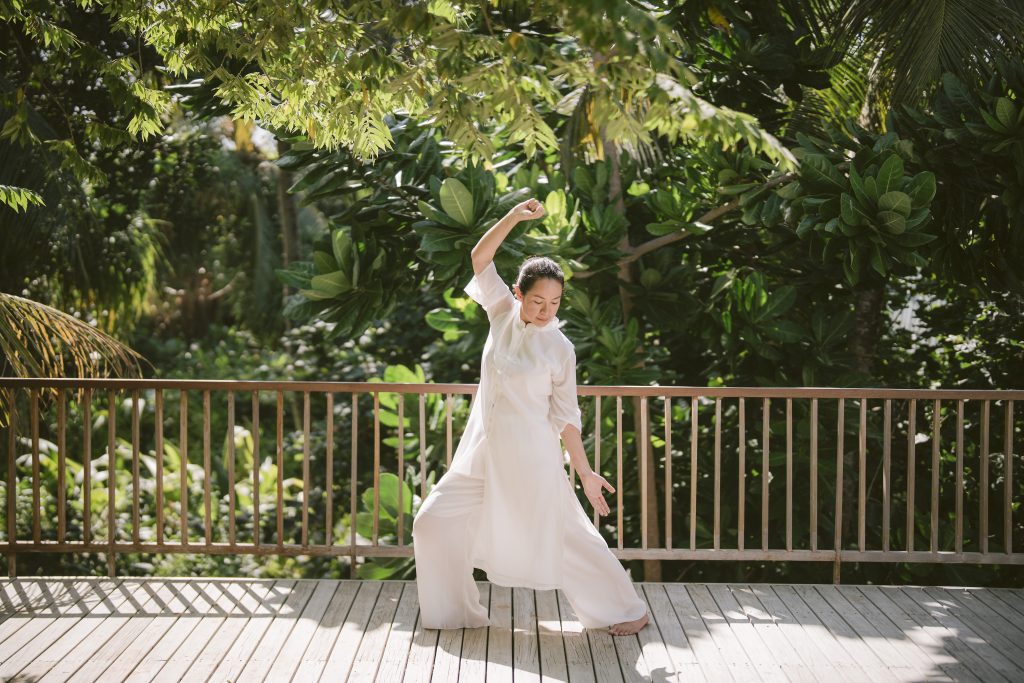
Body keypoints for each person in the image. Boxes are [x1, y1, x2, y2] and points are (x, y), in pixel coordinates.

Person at [411, 197, 650, 637]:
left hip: (532, 458)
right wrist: (513, 217)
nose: (546, 311)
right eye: (537, 300)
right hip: (482, 453)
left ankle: (627, 609)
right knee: (431, 523)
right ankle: (454, 614)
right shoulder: (500, 314)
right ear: (518, 294)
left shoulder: (559, 348)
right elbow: (479, 258)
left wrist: (585, 471)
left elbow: (566, 415)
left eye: (555, 302)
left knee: (567, 537)